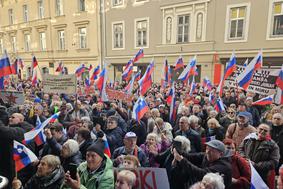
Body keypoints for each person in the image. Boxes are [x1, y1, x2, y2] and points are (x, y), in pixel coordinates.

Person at [239, 123, 280, 188]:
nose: (263, 131)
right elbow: (240, 149)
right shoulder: (248, 139)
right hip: (245, 172)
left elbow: (274, 162)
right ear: (257, 129)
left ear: (269, 133)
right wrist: (244, 160)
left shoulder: (273, 145)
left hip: (260, 176)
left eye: (265, 130)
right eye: (261, 129)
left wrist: (256, 165)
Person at [0, 111, 34, 188]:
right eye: (10, 117)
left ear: (21, 120)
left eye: (13, 117)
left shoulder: (20, 131)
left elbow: (3, 131)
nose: (10, 118)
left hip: (15, 173)